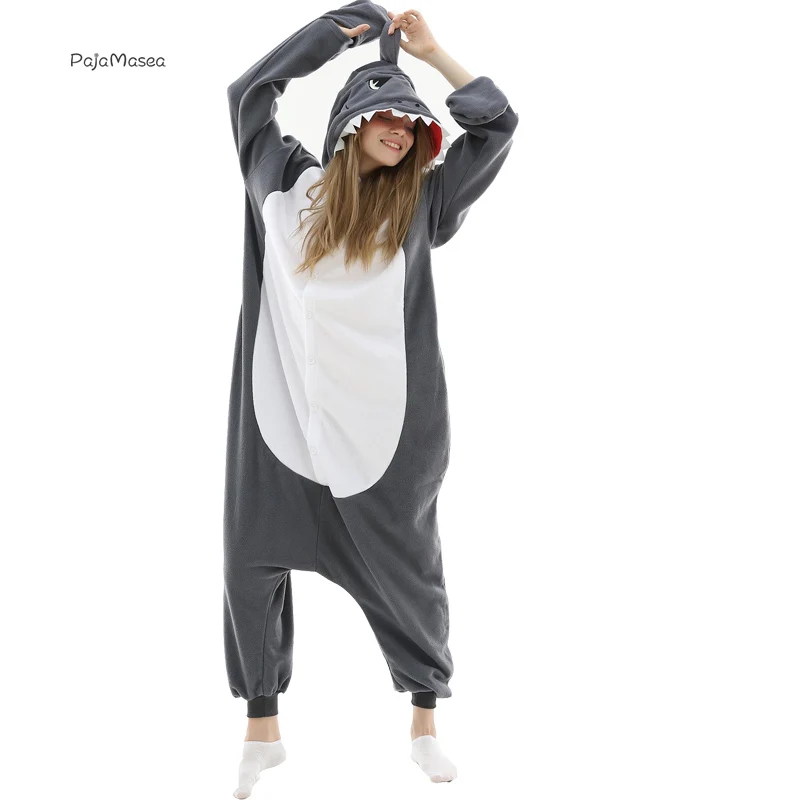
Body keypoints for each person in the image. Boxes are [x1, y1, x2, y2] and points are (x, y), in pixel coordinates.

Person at [223, 2, 518, 795]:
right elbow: (249, 93)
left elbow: (497, 125)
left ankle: (424, 726)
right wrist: (335, 33)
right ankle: (261, 733)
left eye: (413, 122)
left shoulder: (422, 203)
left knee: (409, 578)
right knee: (250, 561)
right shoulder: (283, 181)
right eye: (386, 114)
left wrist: (433, 56)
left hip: (389, 430)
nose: (401, 129)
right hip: (281, 417)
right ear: (351, 123)